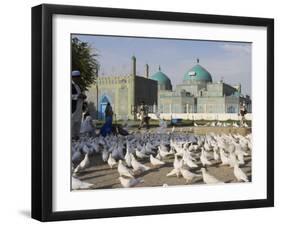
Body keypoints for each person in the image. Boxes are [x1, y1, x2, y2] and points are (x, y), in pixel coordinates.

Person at [71, 70, 86, 140]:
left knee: (78, 122)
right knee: (72, 122)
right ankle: (71, 137)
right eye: (77, 78)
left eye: (79, 78)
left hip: (79, 107)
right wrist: (77, 96)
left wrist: (83, 96)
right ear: (73, 78)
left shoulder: (79, 86)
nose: (78, 79)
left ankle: (76, 136)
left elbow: (82, 94)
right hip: (73, 107)